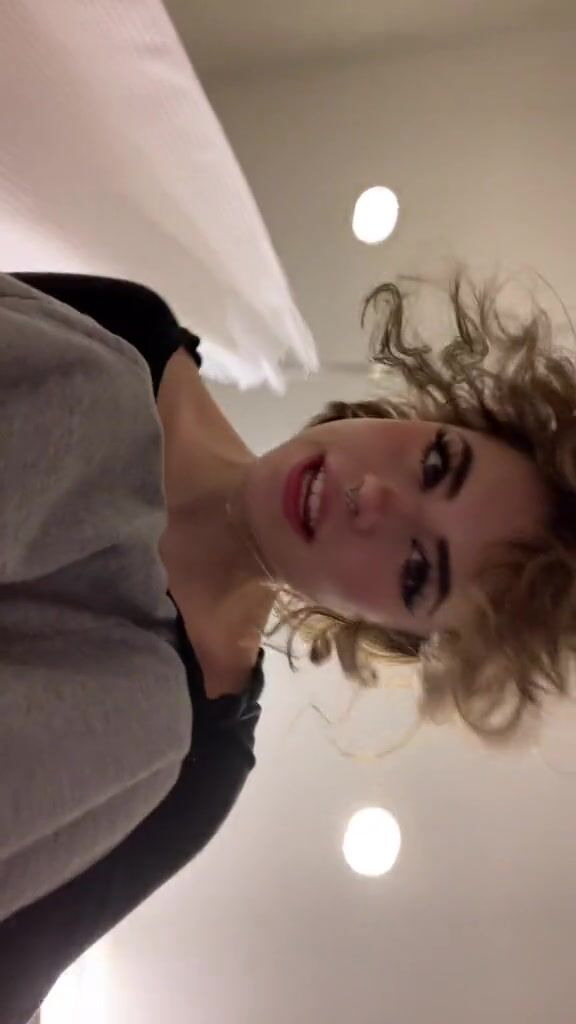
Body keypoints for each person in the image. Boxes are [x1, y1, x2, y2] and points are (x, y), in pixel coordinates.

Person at [0, 270, 571, 1022]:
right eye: (436, 463)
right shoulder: (125, 338)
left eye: (415, 570)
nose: (374, 499)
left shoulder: (190, 757)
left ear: (391, 629)